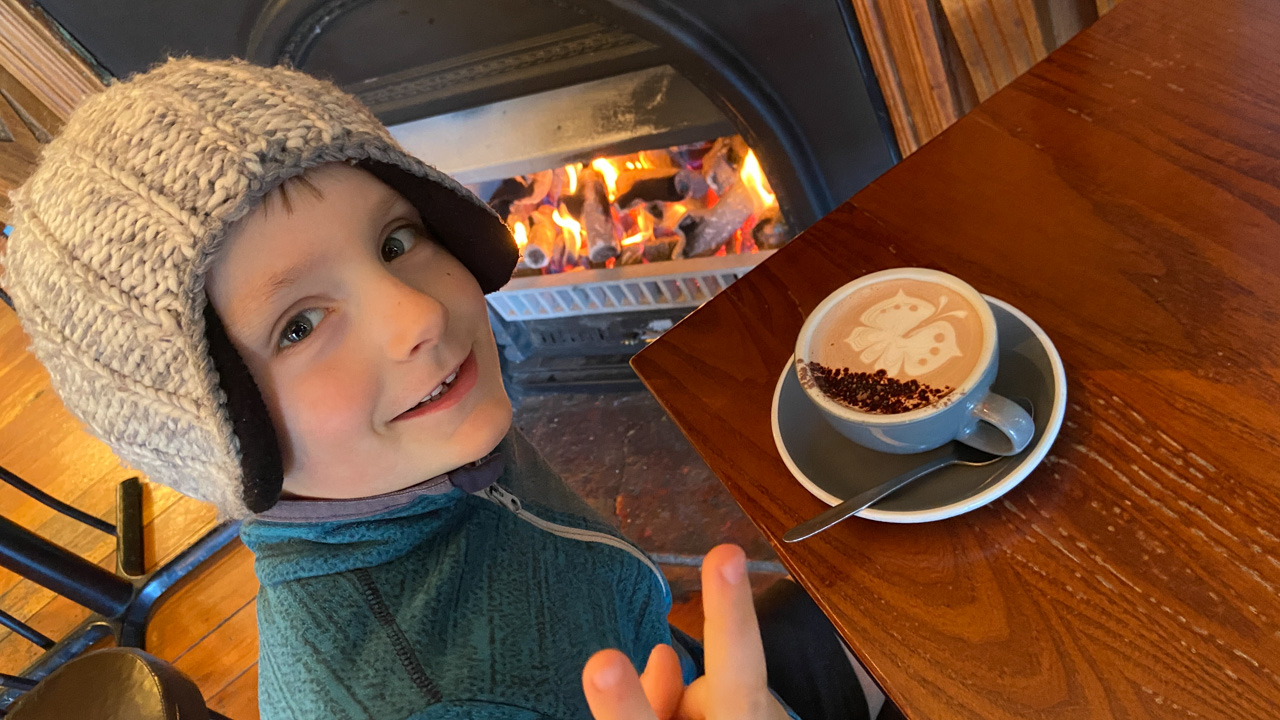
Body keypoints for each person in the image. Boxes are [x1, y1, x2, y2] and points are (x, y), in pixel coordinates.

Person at [1, 57, 876, 719]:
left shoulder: (411, 443)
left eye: (395, 241)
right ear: (213, 431)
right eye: (300, 325)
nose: (416, 312)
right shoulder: (426, 697)